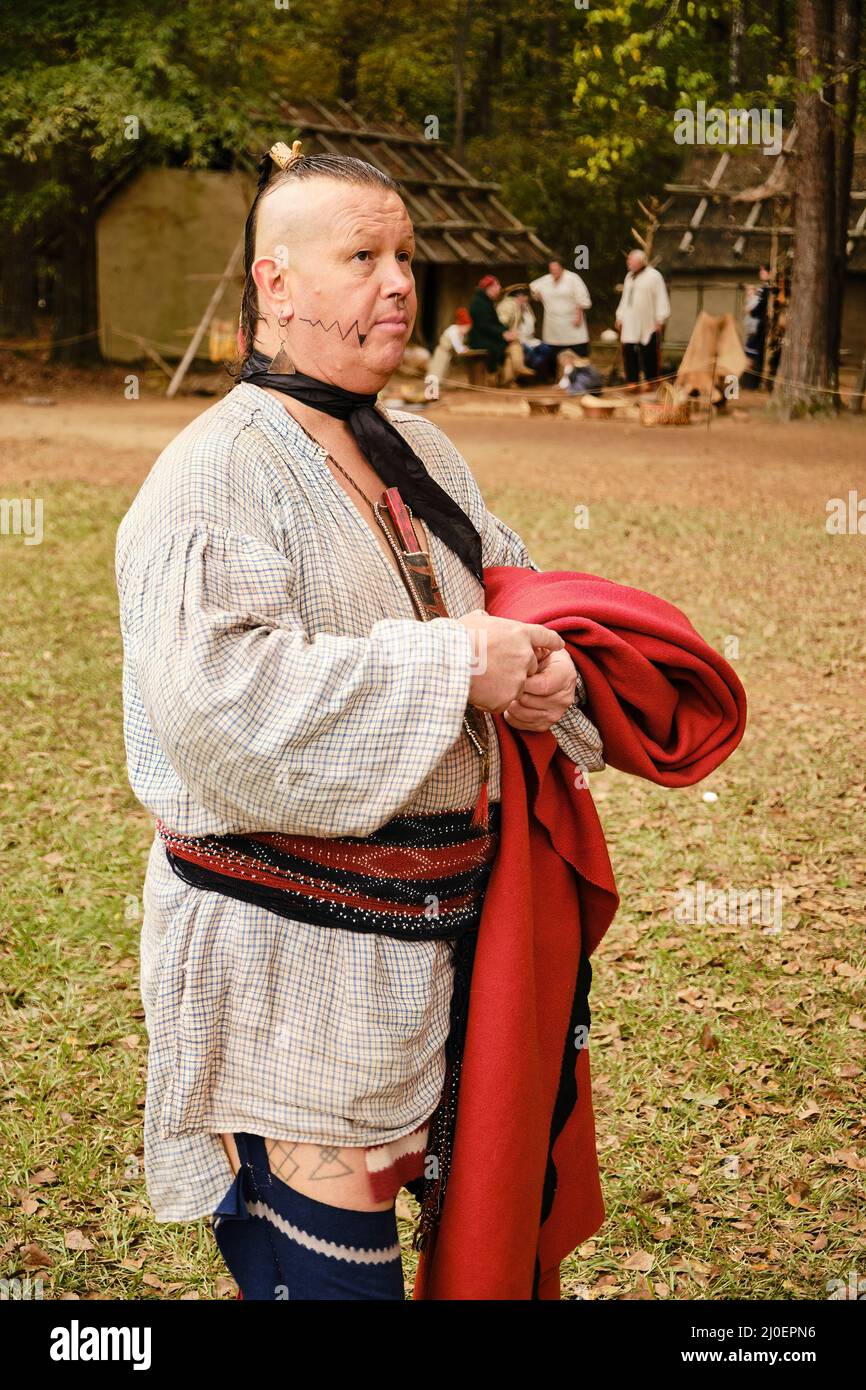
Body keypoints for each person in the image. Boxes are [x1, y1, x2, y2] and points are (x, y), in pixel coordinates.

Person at [115, 140, 605, 1301]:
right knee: (337, 1281)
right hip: (287, 958)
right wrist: (455, 664)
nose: (398, 283)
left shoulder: (418, 446)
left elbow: (508, 596)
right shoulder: (213, 475)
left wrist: (541, 675)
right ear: (274, 286)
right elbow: (218, 710)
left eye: (404, 257)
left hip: (436, 942)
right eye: (362, 256)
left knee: (420, 1208)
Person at [615, 249, 671, 391]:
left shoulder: (654, 276)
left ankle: (650, 381)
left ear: (640, 262)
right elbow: (625, 299)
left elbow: (661, 297)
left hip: (647, 321)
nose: (628, 263)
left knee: (648, 352)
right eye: (628, 261)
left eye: (631, 261)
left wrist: (660, 318)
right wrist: (620, 316)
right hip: (630, 321)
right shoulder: (629, 277)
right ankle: (632, 381)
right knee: (628, 350)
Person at [529, 258, 593, 380]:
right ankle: (555, 377)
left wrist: (578, 317)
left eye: (556, 269)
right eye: (552, 270)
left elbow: (582, 299)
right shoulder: (546, 280)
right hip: (553, 323)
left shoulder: (573, 278)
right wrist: (541, 297)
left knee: (577, 349)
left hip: (571, 320)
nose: (554, 272)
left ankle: (580, 376)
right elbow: (533, 288)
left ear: (562, 268)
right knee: (554, 350)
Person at [466, 274, 521, 383]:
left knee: (510, 341)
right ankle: (495, 374)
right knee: (500, 345)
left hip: (486, 335)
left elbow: (494, 323)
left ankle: (510, 374)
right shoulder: (479, 302)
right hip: (479, 338)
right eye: (497, 287)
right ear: (489, 288)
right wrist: (502, 334)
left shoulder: (486, 301)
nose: (499, 289)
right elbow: (484, 325)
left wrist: (506, 331)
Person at [496, 288, 543, 375]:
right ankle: (521, 371)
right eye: (524, 296)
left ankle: (525, 372)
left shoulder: (517, 306)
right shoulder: (508, 305)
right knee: (523, 350)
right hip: (504, 338)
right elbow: (502, 322)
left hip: (516, 339)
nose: (526, 299)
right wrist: (507, 332)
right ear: (519, 297)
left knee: (544, 349)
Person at [427, 305, 472, 386]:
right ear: (462, 325)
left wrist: (464, 348)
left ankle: (436, 388)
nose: (467, 331)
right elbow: (457, 345)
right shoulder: (453, 331)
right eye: (466, 328)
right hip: (442, 352)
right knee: (436, 370)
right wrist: (462, 350)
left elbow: (460, 345)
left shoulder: (460, 333)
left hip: (447, 353)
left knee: (443, 371)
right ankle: (431, 389)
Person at [743, 265, 771, 390]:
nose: (761, 273)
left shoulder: (767, 289)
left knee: (752, 353)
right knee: (752, 352)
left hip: (760, 326)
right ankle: (751, 382)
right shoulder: (762, 289)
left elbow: (760, 307)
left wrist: (752, 311)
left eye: (763, 270)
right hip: (755, 326)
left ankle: (752, 383)